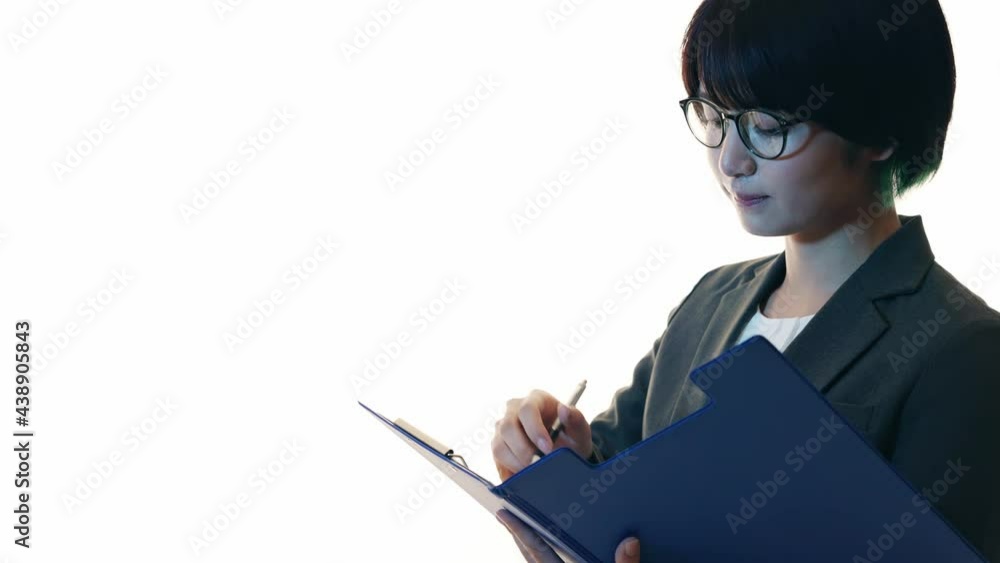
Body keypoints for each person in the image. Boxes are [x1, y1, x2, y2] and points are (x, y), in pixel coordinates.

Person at [492, 0, 1000, 560]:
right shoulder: (709, 300)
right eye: (714, 118)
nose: (731, 159)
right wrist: (557, 458)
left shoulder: (966, 348)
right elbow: (615, 476)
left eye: (767, 126)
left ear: (879, 128)